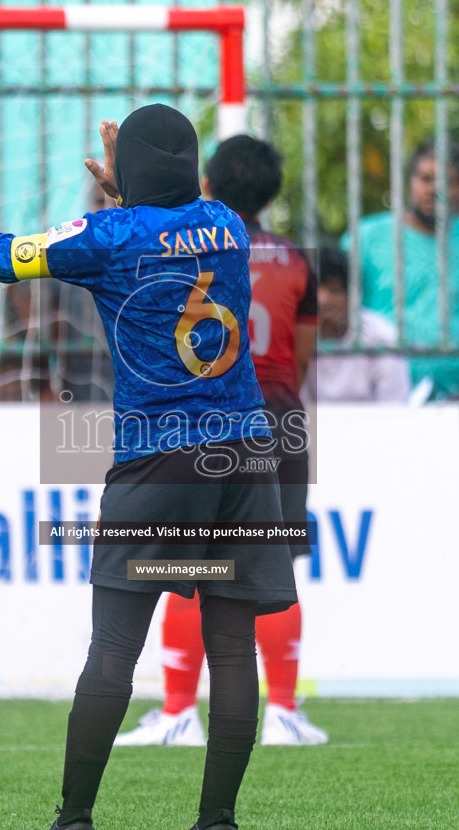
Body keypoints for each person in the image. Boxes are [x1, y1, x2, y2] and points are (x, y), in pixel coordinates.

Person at [0, 104, 296, 830]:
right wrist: (132, 190)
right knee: (232, 647)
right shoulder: (228, 225)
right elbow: (176, 218)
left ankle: (74, 821)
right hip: (245, 455)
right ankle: (218, 824)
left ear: (129, 177)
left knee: (113, 648)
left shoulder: (106, 237)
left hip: (156, 460)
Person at [115, 134, 328, 749]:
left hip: (205, 418)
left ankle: (180, 712)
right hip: (279, 420)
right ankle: (284, 710)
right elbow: (302, 355)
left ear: (207, 183)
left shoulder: (192, 246)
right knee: (276, 565)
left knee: (189, 567)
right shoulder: (294, 259)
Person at [348, 140, 459, 400]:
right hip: (377, 388)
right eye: (425, 178)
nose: (434, 189)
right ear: (411, 182)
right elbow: (336, 296)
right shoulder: (368, 237)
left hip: (455, 394)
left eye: (447, 181)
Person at [300, 247, 410, 403]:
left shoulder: (382, 338)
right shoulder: (295, 337)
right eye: (315, 289)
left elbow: (395, 409)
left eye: (334, 290)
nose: (323, 299)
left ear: (353, 296)